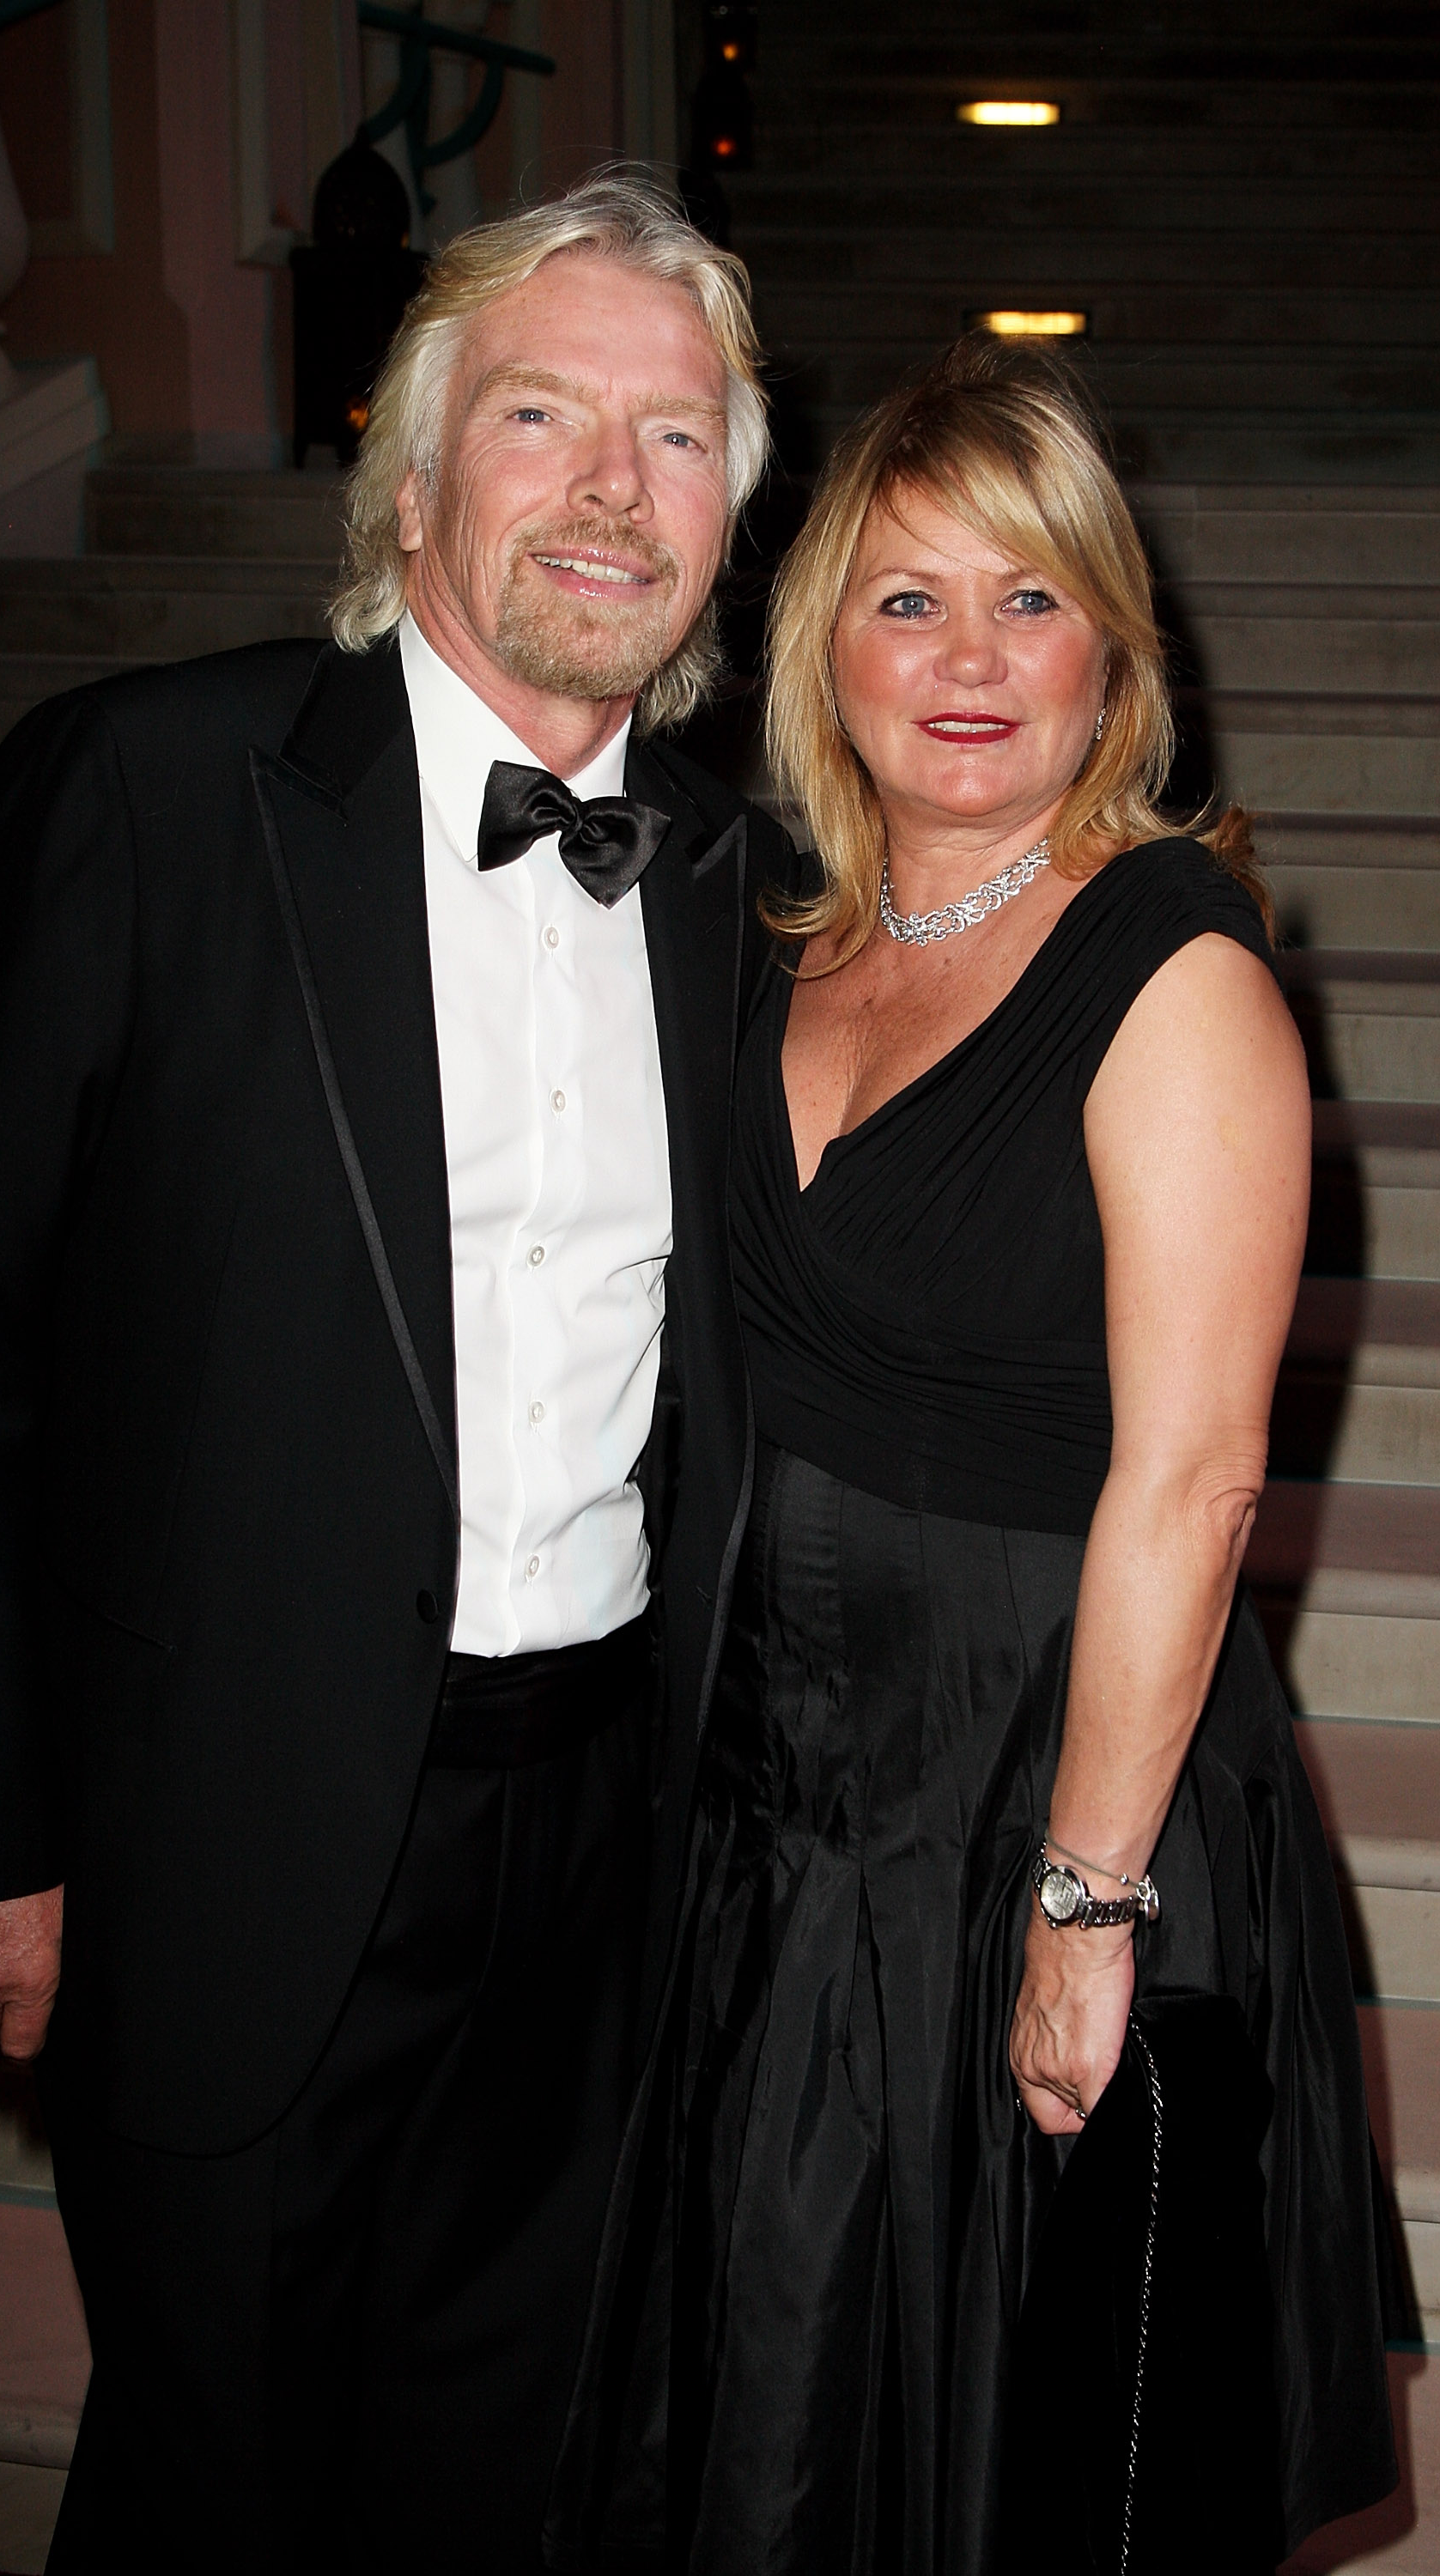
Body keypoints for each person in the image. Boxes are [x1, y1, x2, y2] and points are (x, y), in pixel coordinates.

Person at [0, 178, 794, 2573]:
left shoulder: (737, 881)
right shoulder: (145, 791)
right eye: (547, 415)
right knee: (220, 2475)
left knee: (499, 2472)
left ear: (730, 513)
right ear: (412, 469)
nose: (611, 489)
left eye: (675, 439)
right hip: (217, 1821)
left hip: (596, 1832)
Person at [545, 337, 1397, 2573]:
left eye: (1030, 599)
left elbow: (1198, 1475)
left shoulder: (1173, 963)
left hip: (1054, 1783)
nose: (971, 658)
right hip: (780, 1805)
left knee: (1021, 2463)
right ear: (821, 636)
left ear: (1114, 643)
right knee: (783, 2412)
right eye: (909, 598)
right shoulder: (773, 942)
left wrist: (1086, 1903)